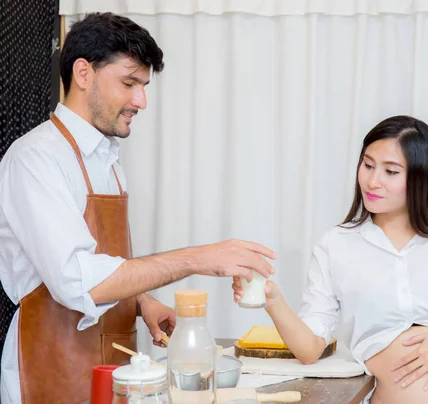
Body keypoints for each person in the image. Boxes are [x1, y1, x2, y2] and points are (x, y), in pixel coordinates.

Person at [0, 12, 274, 404]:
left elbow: (103, 262)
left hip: (113, 366)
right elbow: (82, 282)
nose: (140, 101)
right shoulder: (36, 159)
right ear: (83, 73)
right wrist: (199, 258)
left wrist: (142, 302)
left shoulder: (108, 161)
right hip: (49, 367)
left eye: (143, 86)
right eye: (129, 83)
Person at [233, 115, 428, 404]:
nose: (373, 181)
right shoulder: (336, 245)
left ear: (421, 177)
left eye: (391, 171)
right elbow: (309, 350)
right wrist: (272, 300)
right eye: (368, 165)